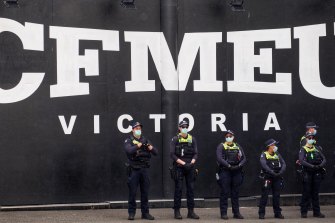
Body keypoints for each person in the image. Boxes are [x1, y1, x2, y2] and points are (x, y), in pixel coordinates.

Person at [124, 121, 158, 220]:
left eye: (139, 128)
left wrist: (150, 147)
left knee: (145, 192)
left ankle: (145, 213)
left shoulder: (145, 140)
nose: (138, 130)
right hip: (134, 169)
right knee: (133, 192)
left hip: (144, 169)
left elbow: (156, 152)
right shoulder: (128, 140)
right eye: (136, 128)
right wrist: (139, 145)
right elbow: (129, 150)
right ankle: (131, 213)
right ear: (132, 130)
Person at [170, 119, 199, 220]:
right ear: (179, 128)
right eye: (183, 127)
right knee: (178, 189)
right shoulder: (175, 139)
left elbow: (196, 153)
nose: (185, 128)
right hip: (179, 167)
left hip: (190, 167)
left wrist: (191, 163)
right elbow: (172, 154)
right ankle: (177, 211)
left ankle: (191, 212)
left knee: (191, 189)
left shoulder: (192, 139)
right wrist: (183, 163)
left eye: (186, 127)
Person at [216, 130, 246, 220]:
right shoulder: (221, 146)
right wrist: (228, 165)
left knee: (235, 192)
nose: (229, 137)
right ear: (225, 137)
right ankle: (223, 213)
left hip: (236, 171)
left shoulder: (237, 146)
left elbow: (244, 158)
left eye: (230, 136)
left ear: (233, 136)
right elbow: (219, 158)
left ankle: (236, 213)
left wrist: (239, 165)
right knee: (224, 192)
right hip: (225, 171)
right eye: (227, 136)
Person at [299, 132, 326, 218]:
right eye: (309, 138)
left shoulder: (317, 148)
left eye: (312, 138)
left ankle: (317, 212)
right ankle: (304, 212)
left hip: (317, 173)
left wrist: (319, 166)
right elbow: (301, 160)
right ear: (306, 139)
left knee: (315, 193)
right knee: (306, 193)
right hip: (307, 173)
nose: (311, 139)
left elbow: (324, 159)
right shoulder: (303, 149)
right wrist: (312, 166)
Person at [258, 139, 286, 220]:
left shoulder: (277, 154)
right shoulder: (264, 154)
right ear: (269, 146)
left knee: (277, 196)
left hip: (277, 177)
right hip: (267, 177)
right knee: (265, 196)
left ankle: (277, 213)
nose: (275, 146)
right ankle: (261, 213)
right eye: (274, 145)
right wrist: (271, 172)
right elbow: (264, 165)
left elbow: (284, 163)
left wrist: (280, 172)